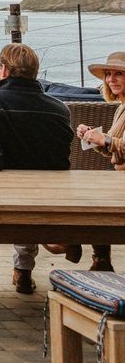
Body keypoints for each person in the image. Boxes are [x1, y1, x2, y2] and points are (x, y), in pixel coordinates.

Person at [0, 43, 74, 294]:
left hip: (0, 197)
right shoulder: (59, 108)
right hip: (48, 199)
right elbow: (60, 158)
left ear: (4, 70)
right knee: (29, 191)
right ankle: (24, 270)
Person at [59, 51, 125, 272]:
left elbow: (118, 146)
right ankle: (98, 258)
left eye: (118, 74)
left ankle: (69, 240)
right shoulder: (121, 108)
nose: (111, 80)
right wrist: (93, 138)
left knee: (86, 194)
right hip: (119, 178)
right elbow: (116, 151)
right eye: (108, 74)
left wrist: (105, 139)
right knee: (83, 190)